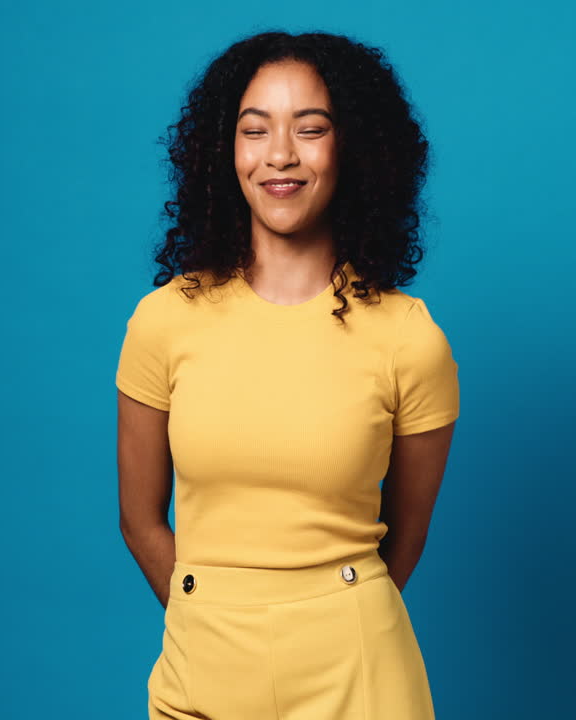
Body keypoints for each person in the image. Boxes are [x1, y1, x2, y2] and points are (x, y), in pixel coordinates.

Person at [116, 30, 460, 719]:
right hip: (200, 670)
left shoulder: (409, 339)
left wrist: (322, 616)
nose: (280, 155)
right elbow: (139, 518)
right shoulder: (162, 322)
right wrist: (211, 613)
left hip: (358, 677)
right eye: (255, 130)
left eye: (311, 129)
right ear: (225, 151)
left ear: (352, 148)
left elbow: (407, 534)